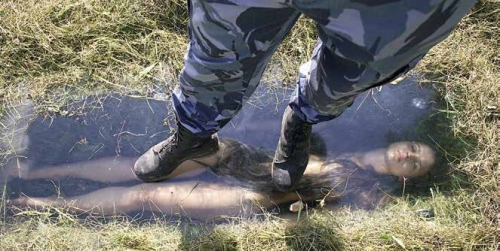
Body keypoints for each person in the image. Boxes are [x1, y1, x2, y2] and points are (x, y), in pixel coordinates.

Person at [133, 0, 500, 191]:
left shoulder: (364, 181)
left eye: (413, 161)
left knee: (352, 71)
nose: (408, 154)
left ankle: (301, 119)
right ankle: (193, 134)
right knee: (218, 48)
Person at [7, 139, 435, 219]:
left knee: (146, 198)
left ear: (403, 178)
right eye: (414, 148)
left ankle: (39, 206)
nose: (408, 156)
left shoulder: (370, 190)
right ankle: (35, 172)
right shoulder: (351, 125)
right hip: (241, 157)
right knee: (146, 165)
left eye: (413, 165)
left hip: (257, 199)